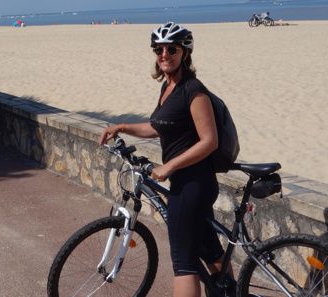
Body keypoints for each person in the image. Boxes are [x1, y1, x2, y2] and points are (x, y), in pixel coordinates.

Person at [99, 22, 233, 297]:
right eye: (158, 50)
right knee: (209, 250)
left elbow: (210, 141)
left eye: (171, 49)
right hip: (185, 183)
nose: (164, 54)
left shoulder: (193, 91)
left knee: (184, 263)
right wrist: (122, 127)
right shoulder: (168, 88)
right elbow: (158, 127)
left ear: (185, 52)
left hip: (193, 183)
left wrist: (169, 166)